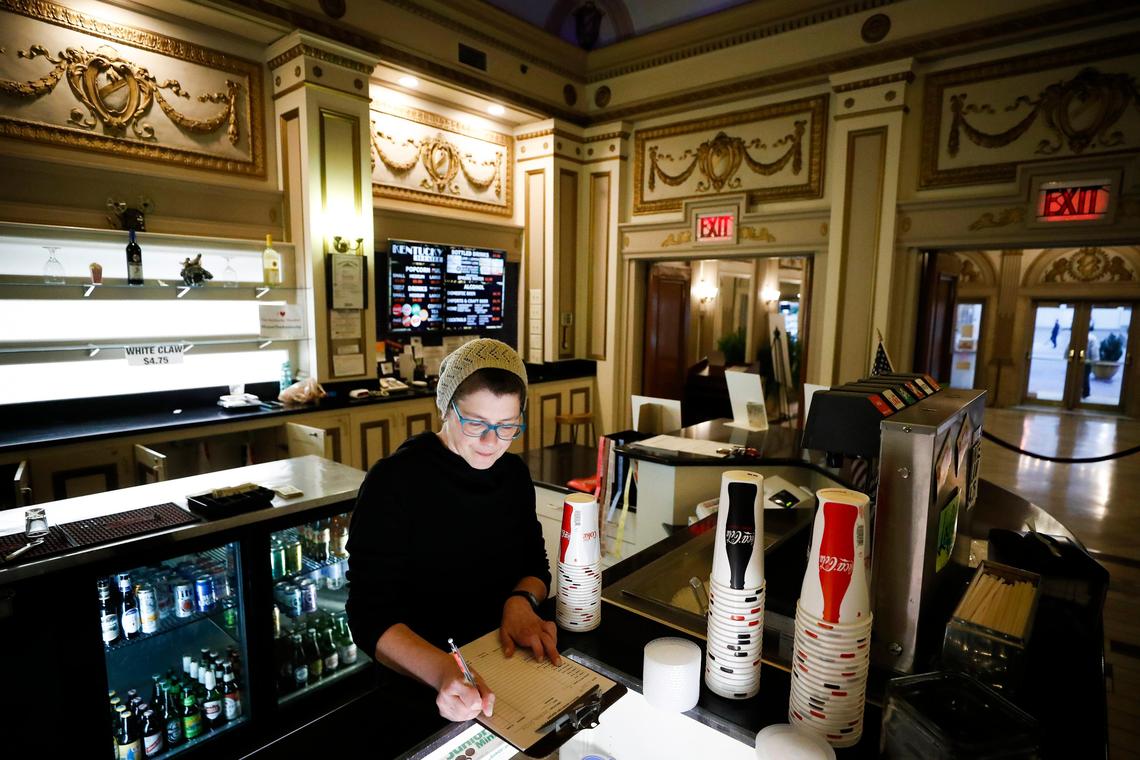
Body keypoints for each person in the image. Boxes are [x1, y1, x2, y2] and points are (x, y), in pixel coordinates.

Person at [345, 338, 558, 728]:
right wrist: (443, 671)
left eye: (508, 426)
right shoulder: (394, 483)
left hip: (505, 668)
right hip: (421, 688)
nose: (491, 442)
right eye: (476, 423)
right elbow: (368, 616)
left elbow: (536, 567)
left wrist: (521, 601)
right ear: (445, 408)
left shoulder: (513, 476)